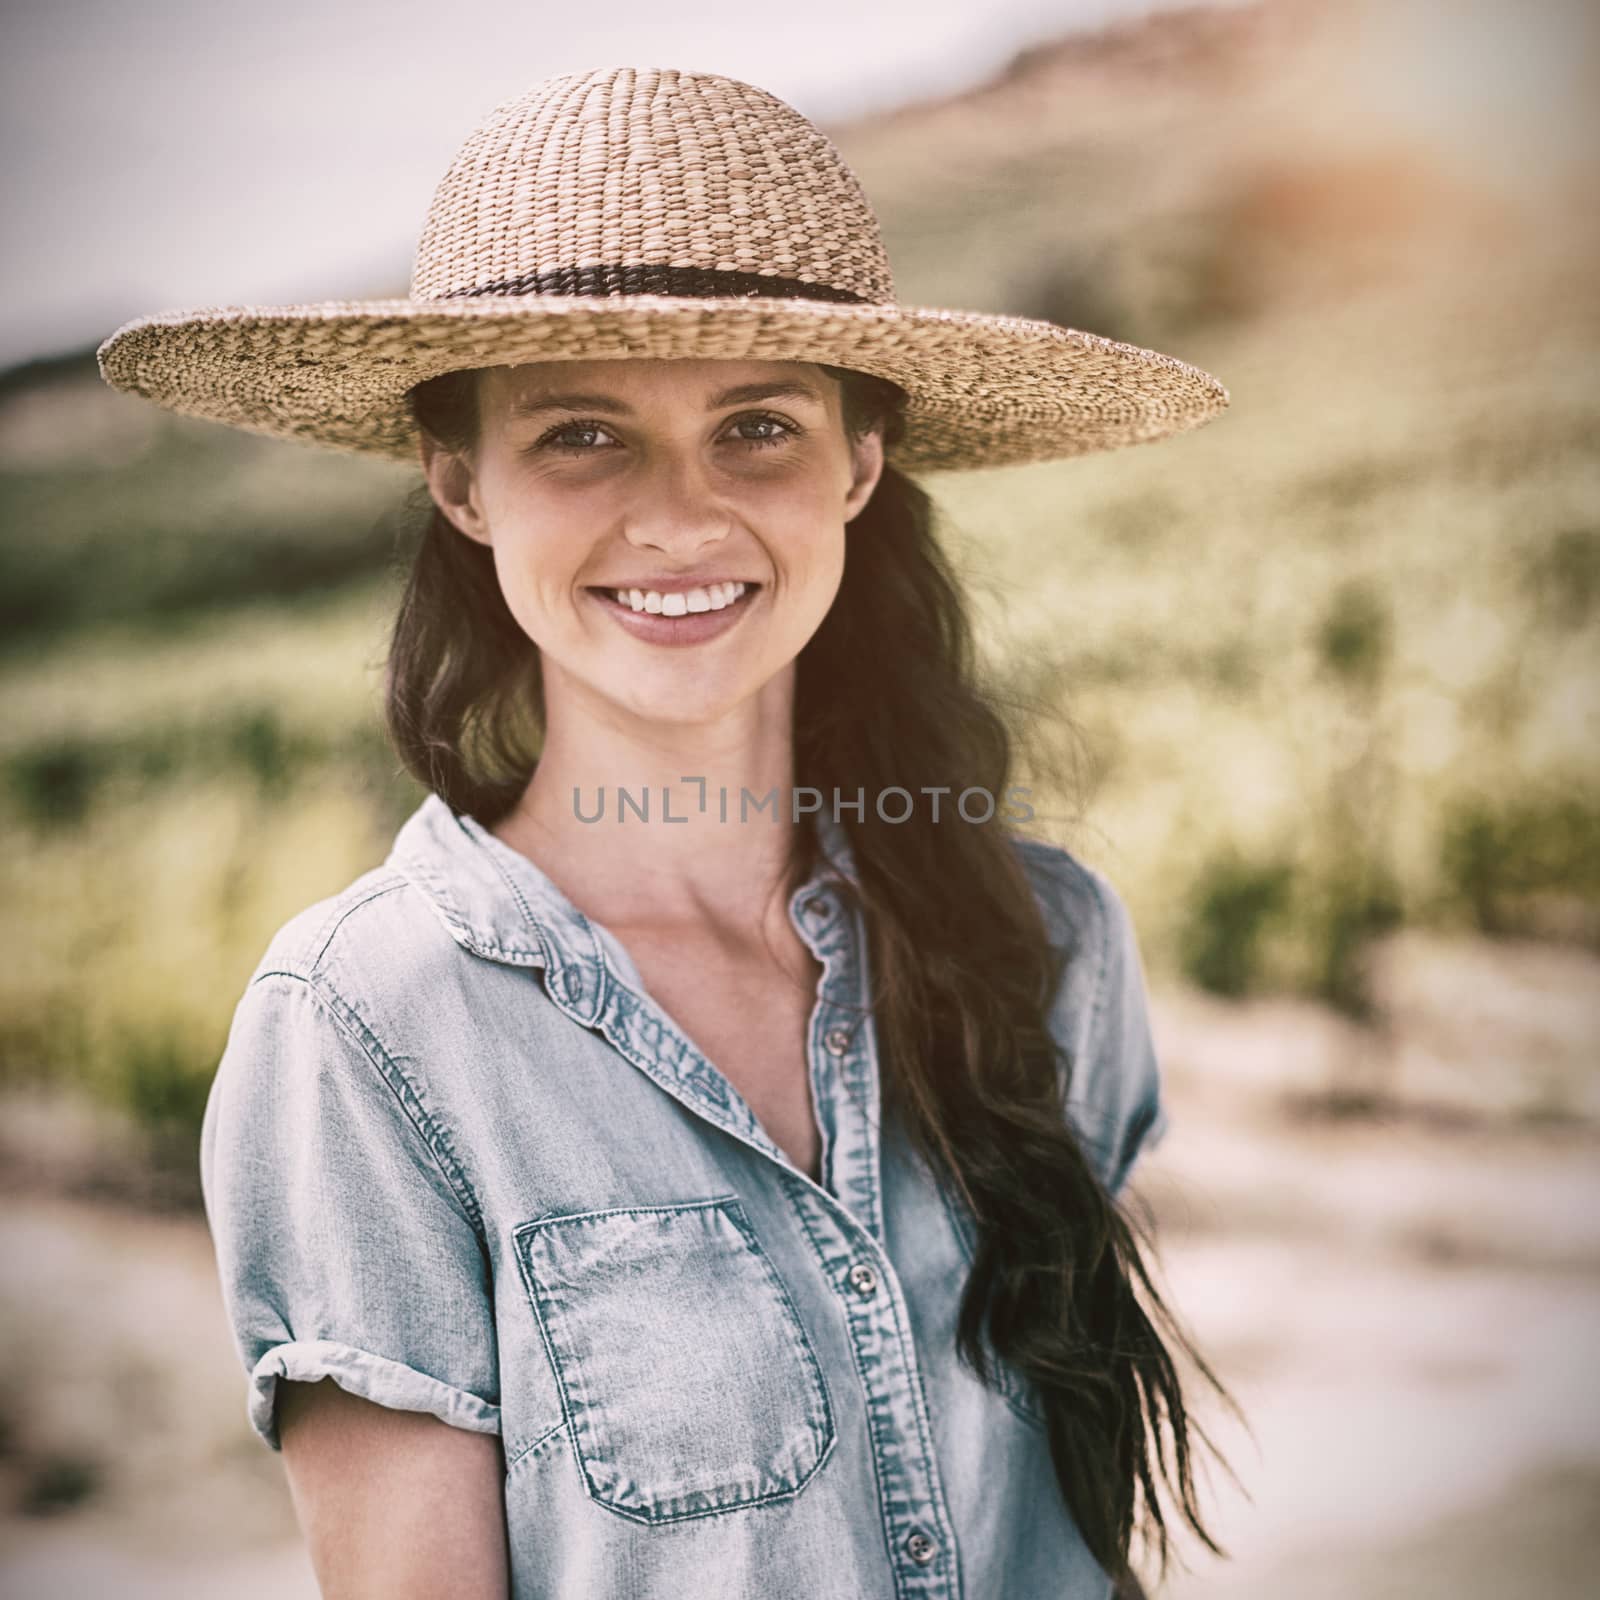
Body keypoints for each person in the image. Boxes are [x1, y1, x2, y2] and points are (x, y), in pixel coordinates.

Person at [99, 64, 1244, 1600]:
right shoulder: (367, 1029)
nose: (680, 516)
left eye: (756, 426)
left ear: (858, 461)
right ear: (461, 483)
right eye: (582, 434)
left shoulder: (1046, 943)